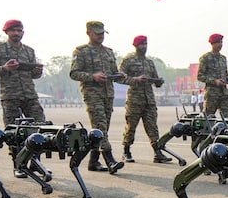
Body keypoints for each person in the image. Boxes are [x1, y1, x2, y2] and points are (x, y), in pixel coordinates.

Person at [0, 19, 46, 178]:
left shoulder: (29, 50)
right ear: (6, 32)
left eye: (19, 30)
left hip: (29, 95)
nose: (17, 33)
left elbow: (33, 75)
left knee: (40, 127)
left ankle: (35, 163)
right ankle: (18, 165)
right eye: (13, 30)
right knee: (14, 132)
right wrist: (4, 68)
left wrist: (38, 71)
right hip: (10, 95)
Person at [69, 21, 124, 174]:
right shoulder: (81, 51)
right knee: (100, 125)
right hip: (93, 94)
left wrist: (120, 75)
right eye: (97, 33)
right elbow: (74, 73)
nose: (100, 36)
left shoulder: (108, 52)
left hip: (108, 94)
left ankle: (93, 161)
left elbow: (115, 73)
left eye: (102, 33)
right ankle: (110, 160)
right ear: (88, 33)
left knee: (102, 129)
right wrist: (93, 77)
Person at [118, 35, 172, 164]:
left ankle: (157, 152)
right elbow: (119, 77)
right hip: (134, 100)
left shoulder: (149, 62)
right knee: (131, 127)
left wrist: (159, 82)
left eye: (146, 44)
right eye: (142, 44)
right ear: (135, 46)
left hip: (149, 100)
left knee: (152, 127)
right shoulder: (128, 60)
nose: (144, 47)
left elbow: (155, 80)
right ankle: (126, 151)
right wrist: (135, 79)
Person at [197, 33, 228, 118]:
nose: (220, 44)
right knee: (209, 118)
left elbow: (226, 75)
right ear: (212, 43)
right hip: (211, 94)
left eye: (221, 42)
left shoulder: (223, 58)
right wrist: (214, 81)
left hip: (224, 93)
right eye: (218, 42)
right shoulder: (205, 58)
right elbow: (200, 76)